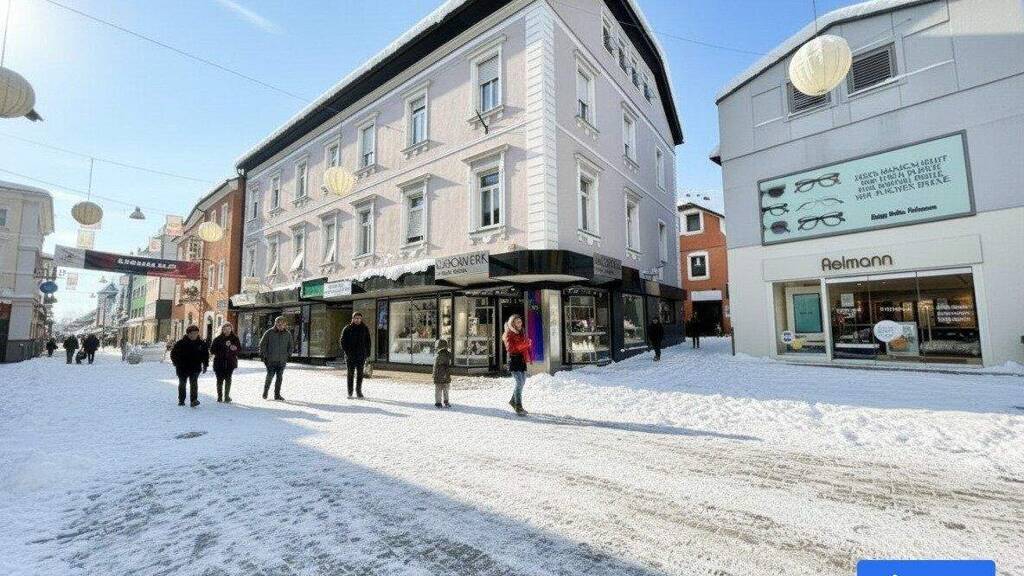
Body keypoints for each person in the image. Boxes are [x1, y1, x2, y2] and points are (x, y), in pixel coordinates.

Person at [501, 314, 532, 416]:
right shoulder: (508, 334)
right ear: (512, 323)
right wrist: (525, 344)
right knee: (519, 382)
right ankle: (518, 406)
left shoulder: (521, 332)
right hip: (513, 360)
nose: (520, 323)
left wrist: (527, 344)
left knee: (522, 382)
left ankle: (513, 401)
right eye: (517, 322)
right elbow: (510, 348)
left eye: (520, 321)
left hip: (521, 360)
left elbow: (523, 346)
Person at [171, 325, 209, 408]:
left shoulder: (201, 343)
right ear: (188, 333)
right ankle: (181, 400)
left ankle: (194, 400)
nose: (194, 335)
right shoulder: (180, 343)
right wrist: (176, 363)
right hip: (182, 368)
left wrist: (205, 365)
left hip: (195, 367)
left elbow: (205, 355)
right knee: (182, 384)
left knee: (194, 384)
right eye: (192, 333)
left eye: (196, 333)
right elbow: (173, 354)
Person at [339, 312, 372, 399]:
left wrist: (367, 353)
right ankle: (350, 392)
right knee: (350, 373)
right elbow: (342, 341)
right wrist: (347, 352)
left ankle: (359, 391)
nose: (358, 320)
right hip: (350, 355)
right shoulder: (347, 328)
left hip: (361, 355)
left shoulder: (365, 328)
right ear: (353, 319)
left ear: (361, 319)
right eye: (356, 318)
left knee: (360, 374)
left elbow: (368, 341)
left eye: (359, 318)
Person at [259, 316, 292, 401]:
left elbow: (290, 346)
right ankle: (265, 391)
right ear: (275, 323)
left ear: (285, 324)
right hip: (271, 360)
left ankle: (277, 395)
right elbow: (262, 345)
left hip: (282, 360)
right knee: (270, 376)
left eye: (283, 323)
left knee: (279, 378)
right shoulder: (269, 332)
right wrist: (265, 356)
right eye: (279, 323)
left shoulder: (287, 334)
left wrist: (288, 355)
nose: (281, 325)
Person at [210, 323, 241, 403]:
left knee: (228, 379)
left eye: (229, 329)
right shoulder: (217, 339)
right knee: (219, 380)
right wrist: (224, 346)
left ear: (231, 329)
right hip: (219, 362)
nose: (227, 331)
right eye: (225, 329)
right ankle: (220, 397)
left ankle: (227, 396)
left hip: (230, 362)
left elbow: (239, 349)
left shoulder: (235, 338)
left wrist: (235, 349)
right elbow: (212, 350)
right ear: (222, 330)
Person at [432, 339, 452, 408]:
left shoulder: (437, 355)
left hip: (438, 374)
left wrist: (434, 375)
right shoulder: (448, 354)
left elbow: (435, 367)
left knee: (438, 389)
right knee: (446, 389)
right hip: (446, 374)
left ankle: (438, 403)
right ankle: (446, 401)